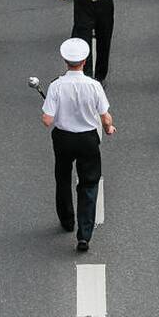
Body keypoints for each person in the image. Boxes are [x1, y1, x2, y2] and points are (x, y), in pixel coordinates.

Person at [41, 37, 116, 253]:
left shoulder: (56, 86)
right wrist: (109, 128)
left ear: (65, 61)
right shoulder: (93, 86)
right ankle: (84, 234)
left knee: (62, 178)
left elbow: (47, 120)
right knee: (89, 183)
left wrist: (55, 116)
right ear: (84, 61)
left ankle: (67, 220)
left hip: (63, 138)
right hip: (87, 139)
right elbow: (105, 117)